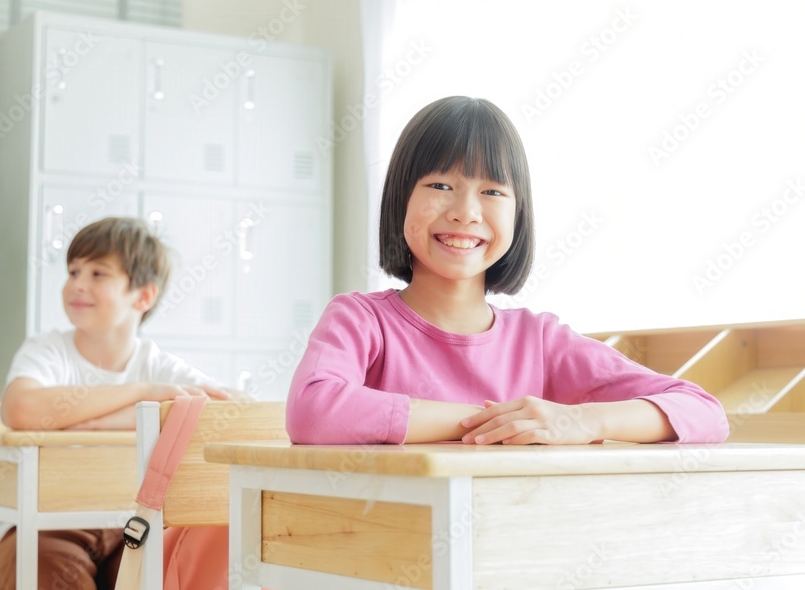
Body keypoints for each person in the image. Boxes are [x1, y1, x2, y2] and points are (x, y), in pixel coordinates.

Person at [286, 96, 729, 446]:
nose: (465, 212)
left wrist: (576, 421)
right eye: (440, 185)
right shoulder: (361, 320)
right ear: (401, 198)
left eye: (492, 190)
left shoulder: (540, 340)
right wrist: (496, 423)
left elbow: (702, 410)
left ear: (519, 214)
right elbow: (311, 410)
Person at [0, 216, 237, 590]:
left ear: (143, 296)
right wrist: (139, 394)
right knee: (48, 571)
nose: (77, 285)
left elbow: (229, 409)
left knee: (169, 572)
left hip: (131, 525)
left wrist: (97, 423)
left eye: (98, 274)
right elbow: (22, 409)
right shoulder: (48, 350)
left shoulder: (159, 363)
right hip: (43, 524)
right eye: (73, 271)